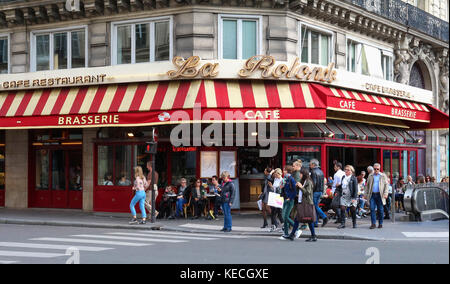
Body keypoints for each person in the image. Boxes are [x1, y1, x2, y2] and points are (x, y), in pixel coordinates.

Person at [284, 168, 317, 242]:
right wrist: (297, 186)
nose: (300, 175)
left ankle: (313, 236)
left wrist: (301, 187)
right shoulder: (303, 181)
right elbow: (301, 192)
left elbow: (308, 193)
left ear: (304, 174)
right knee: (297, 219)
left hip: (307, 203)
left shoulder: (309, 182)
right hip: (301, 203)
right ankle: (292, 235)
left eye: (301, 174)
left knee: (309, 220)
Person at [364, 163, 390, 229]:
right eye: (375, 169)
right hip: (372, 194)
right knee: (372, 209)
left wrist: (386, 193)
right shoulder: (370, 175)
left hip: (380, 195)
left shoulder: (383, 176)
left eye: (377, 169)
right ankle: (373, 224)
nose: (376, 170)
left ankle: (380, 223)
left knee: (380, 210)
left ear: (379, 169)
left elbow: (386, 185)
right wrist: (365, 194)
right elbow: (367, 186)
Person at [309, 159, 328, 228]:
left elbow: (314, 183)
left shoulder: (313, 172)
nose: (310, 166)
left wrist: (311, 191)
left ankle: (324, 217)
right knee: (316, 206)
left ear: (313, 165)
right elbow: (322, 183)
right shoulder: (321, 172)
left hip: (315, 191)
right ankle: (315, 222)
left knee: (314, 206)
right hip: (320, 191)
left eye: (310, 164)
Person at [280, 165, 297, 239]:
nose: (283, 171)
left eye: (284, 170)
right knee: (284, 217)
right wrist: (281, 187)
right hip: (285, 199)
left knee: (286, 216)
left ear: (287, 171)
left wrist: (290, 198)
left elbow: (294, 191)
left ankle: (297, 229)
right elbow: (282, 189)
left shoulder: (291, 179)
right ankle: (286, 233)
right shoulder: (285, 179)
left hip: (289, 200)